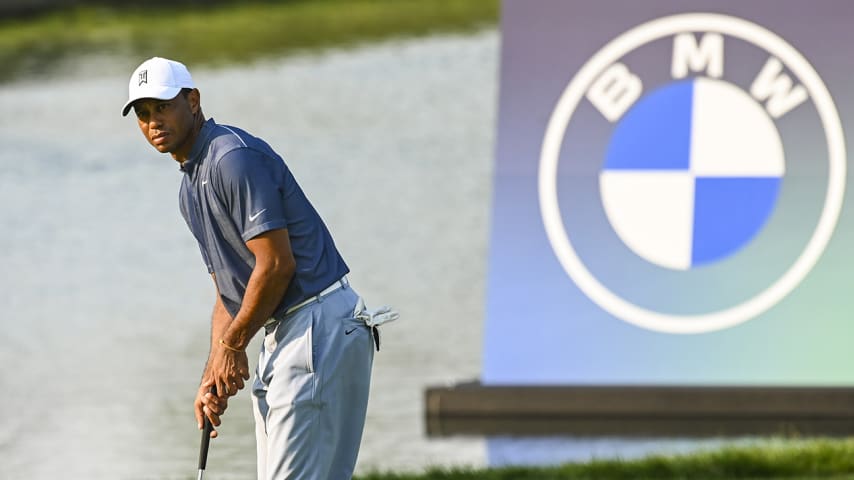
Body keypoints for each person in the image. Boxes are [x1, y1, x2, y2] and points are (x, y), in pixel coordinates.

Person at [122, 57, 395, 479]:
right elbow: (229, 293)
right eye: (143, 113)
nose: (153, 121)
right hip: (289, 334)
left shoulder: (232, 157)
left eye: (162, 106)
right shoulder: (190, 186)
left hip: (315, 325)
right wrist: (213, 371)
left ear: (192, 101)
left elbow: (276, 265)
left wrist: (233, 348)